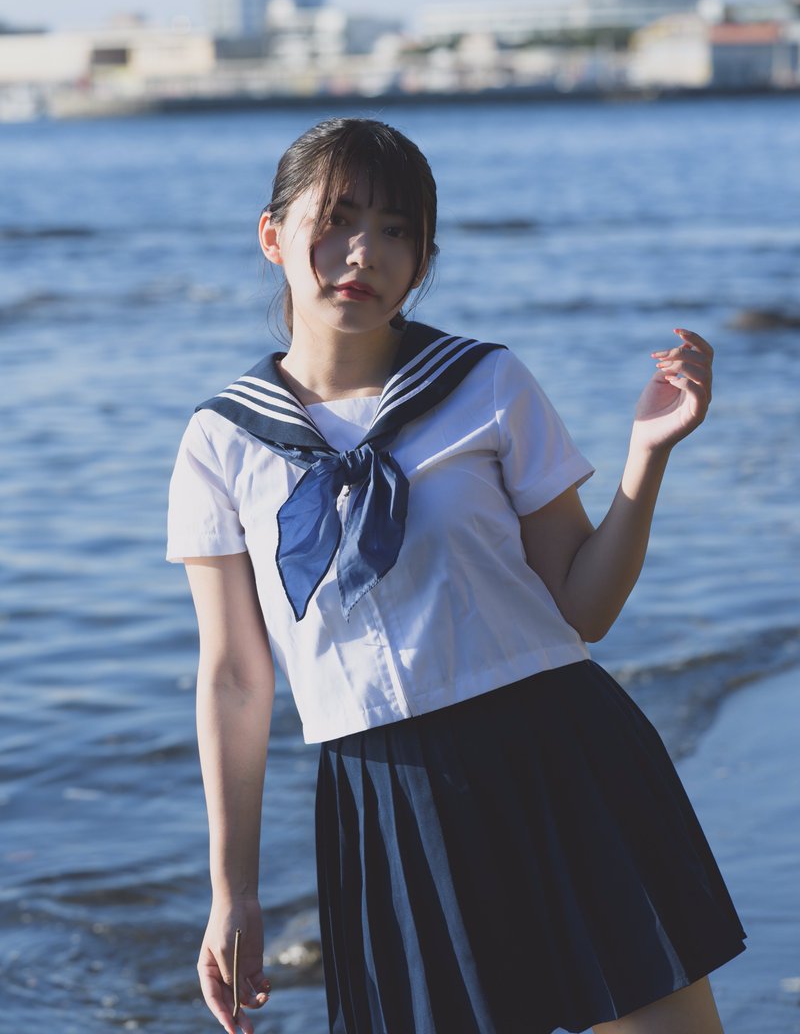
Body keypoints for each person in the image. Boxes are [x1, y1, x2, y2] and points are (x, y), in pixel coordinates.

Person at [167, 117, 745, 1034]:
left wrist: (646, 458)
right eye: (339, 217)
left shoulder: (485, 383)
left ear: (424, 259)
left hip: (561, 754)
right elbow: (236, 677)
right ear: (272, 235)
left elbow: (585, 607)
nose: (364, 252)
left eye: (398, 230)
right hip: (385, 799)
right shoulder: (221, 440)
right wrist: (230, 891)